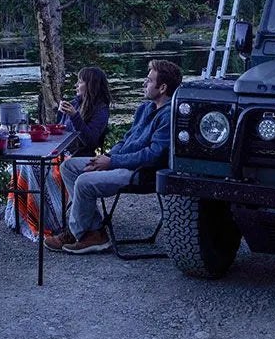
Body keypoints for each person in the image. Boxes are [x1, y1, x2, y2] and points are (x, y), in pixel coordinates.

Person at [44, 59, 182, 255]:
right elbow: (125, 141)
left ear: (162, 88)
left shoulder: (168, 116)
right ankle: (94, 231)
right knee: (69, 167)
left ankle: (77, 233)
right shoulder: (145, 109)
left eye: (149, 80)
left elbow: (153, 156)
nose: (144, 83)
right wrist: (107, 157)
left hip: (140, 172)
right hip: (119, 162)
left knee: (83, 181)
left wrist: (111, 162)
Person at [3, 66, 111, 241]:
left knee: (36, 168)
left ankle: (49, 221)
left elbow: (90, 140)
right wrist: (61, 115)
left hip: (81, 156)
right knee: (25, 163)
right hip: (63, 152)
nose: (76, 85)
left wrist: (75, 116)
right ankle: (23, 216)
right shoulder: (76, 102)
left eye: (80, 81)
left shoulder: (101, 110)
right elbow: (62, 131)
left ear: (90, 85)